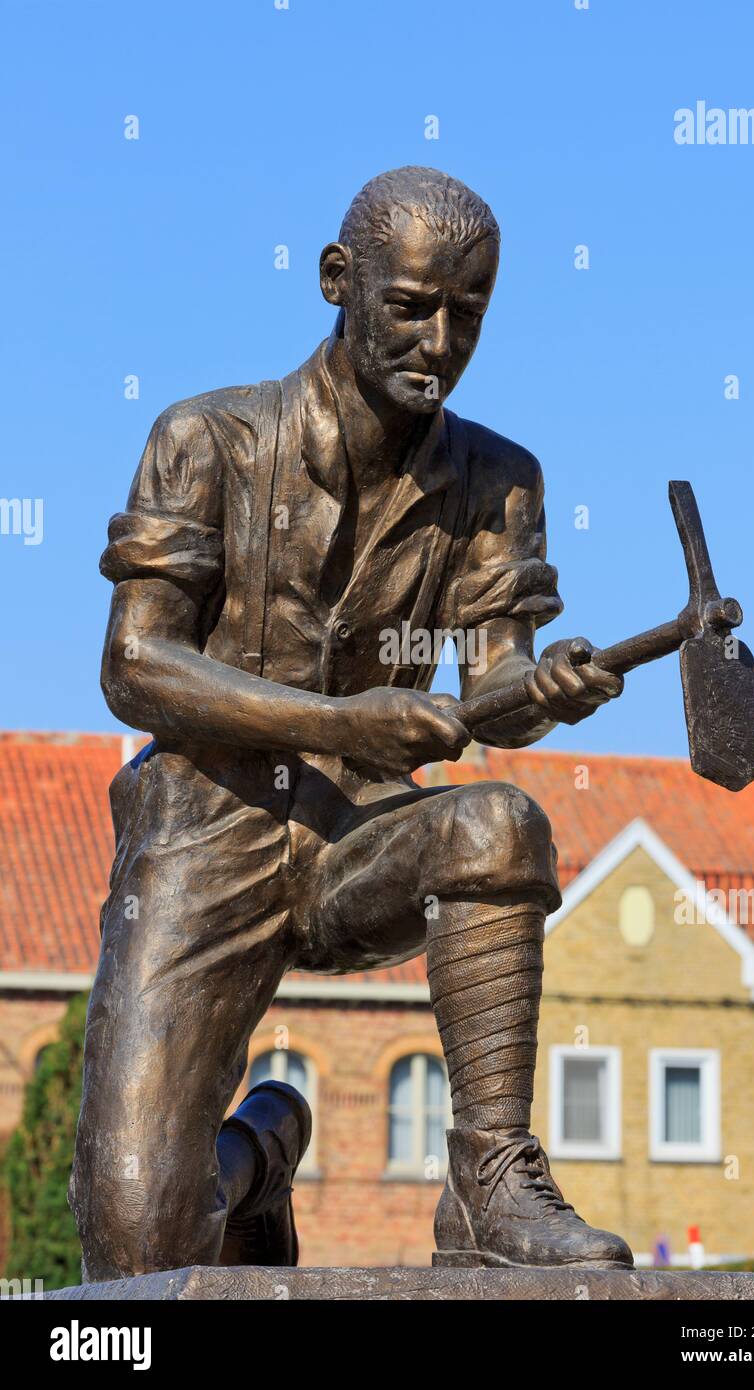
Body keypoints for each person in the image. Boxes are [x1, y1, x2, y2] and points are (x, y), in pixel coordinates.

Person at [70, 166, 633, 1277]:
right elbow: (133, 664)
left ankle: (486, 1181)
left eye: (465, 315)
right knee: (134, 1246)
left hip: (359, 837)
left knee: (497, 824)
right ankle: (262, 1146)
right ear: (338, 281)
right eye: (410, 306)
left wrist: (547, 683)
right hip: (203, 831)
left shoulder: (497, 482)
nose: (438, 340)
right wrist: (341, 718)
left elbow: (490, 683)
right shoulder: (206, 439)